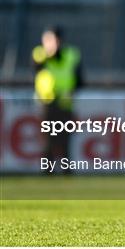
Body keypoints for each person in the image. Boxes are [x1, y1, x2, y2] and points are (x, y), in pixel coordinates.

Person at [32, 26, 83, 173]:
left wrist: (71, 92)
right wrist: (49, 53)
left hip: (65, 103)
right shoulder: (39, 54)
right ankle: (47, 172)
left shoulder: (72, 55)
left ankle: (67, 172)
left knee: (65, 140)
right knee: (48, 140)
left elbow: (79, 79)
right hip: (47, 103)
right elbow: (36, 68)